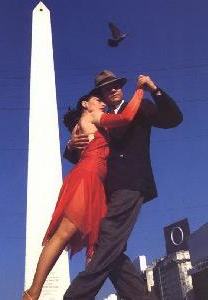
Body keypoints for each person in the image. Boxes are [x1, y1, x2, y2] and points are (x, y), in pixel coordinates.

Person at [63, 70, 183, 300]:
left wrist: (154, 89)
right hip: (105, 190)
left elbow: (173, 119)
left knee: (106, 240)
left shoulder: (140, 107)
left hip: (131, 182)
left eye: (117, 85)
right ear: (102, 96)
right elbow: (76, 156)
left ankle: (75, 296)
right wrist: (71, 144)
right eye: (108, 88)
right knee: (112, 250)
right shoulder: (98, 118)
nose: (114, 89)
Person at [23, 80, 145, 300]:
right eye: (97, 99)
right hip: (87, 178)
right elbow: (125, 117)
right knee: (64, 234)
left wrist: (71, 143)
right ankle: (33, 294)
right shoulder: (91, 117)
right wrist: (140, 91)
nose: (102, 103)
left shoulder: (88, 125)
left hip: (97, 185)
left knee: (95, 245)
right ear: (85, 104)